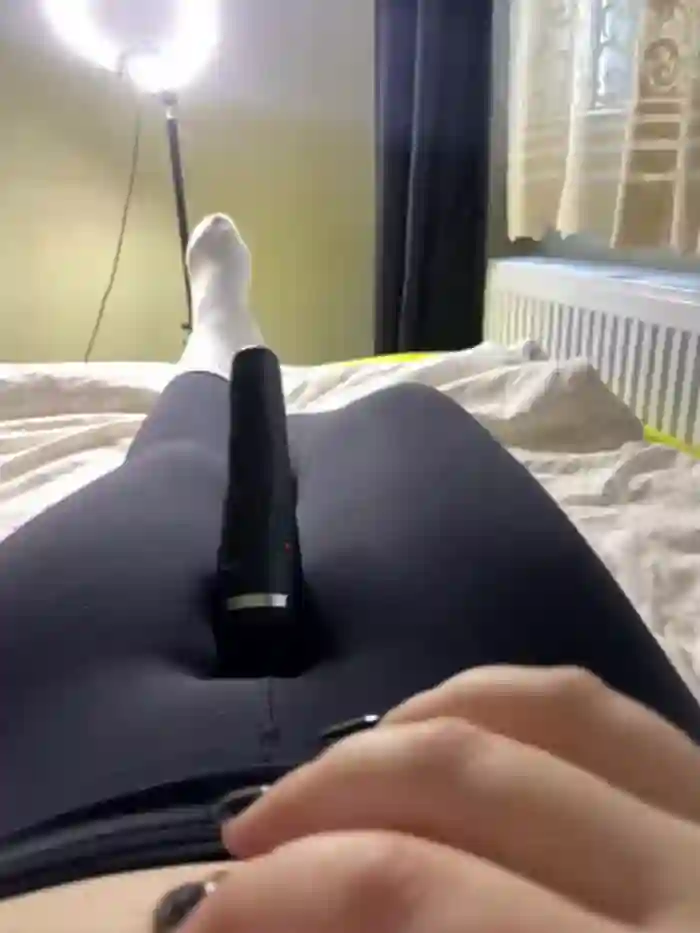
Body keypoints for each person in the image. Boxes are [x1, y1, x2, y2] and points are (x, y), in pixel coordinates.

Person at [1, 215, 699, 933]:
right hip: (566, 790)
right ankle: (225, 330)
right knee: (403, 417)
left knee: (181, 458)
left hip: (42, 799)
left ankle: (218, 330)